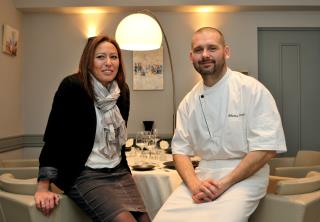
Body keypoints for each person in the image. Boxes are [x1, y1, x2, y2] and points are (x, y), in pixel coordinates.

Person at [153, 27, 287, 222]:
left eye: (212, 48)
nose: (205, 55)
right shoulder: (188, 102)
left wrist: (224, 184)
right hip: (202, 176)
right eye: (199, 50)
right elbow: (180, 151)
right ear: (191, 57)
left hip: (245, 176)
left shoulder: (251, 90)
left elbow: (266, 149)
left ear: (226, 52)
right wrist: (194, 185)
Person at [34, 35, 150, 222]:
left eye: (114, 57)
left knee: (145, 220)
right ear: (88, 61)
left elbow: (118, 144)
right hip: (84, 174)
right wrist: (43, 187)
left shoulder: (122, 91)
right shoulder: (73, 87)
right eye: (100, 57)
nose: (108, 63)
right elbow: (54, 138)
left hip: (117, 171)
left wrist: (127, 173)